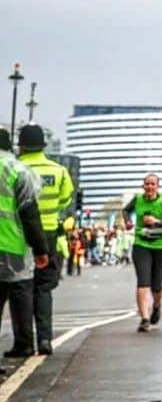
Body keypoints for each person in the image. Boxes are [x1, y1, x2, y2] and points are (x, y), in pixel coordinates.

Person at [14, 124, 73, 356]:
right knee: (44, 289)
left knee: (23, 289)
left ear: (22, 145)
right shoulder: (58, 171)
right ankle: (46, 339)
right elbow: (66, 199)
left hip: (21, 235)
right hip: (49, 234)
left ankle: (24, 342)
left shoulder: (17, 169)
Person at [0, 130, 49, 360]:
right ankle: (24, 343)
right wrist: (40, 248)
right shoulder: (19, 170)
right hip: (13, 244)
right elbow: (30, 213)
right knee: (20, 294)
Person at [122, 174, 162, 332]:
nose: (149, 187)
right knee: (143, 282)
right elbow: (125, 210)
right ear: (143, 186)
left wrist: (157, 222)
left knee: (156, 285)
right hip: (141, 244)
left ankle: (156, 306)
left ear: (157, 186)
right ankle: (144, 318)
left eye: (153, 184)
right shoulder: (137, 199)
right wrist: (128, 221)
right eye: (147, 184)